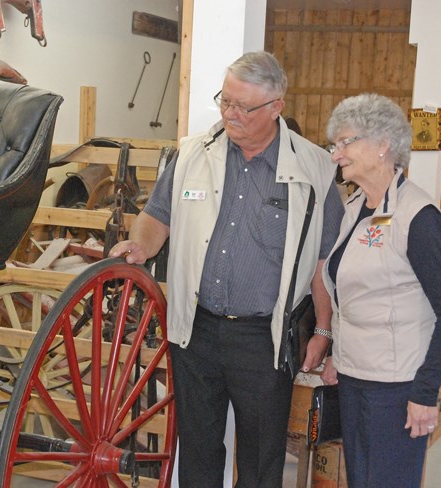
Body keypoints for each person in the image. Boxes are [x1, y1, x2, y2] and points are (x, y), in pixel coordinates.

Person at [109, 50, 344, 487]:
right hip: (195, 332)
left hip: (264, 338)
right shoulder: (194, 153)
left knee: (260, 460)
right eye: (225, 101)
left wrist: (324, 330)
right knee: (197, 451)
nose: (230, 114)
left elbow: (323, 260)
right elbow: (158, 215)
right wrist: (140, 246)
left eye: (243, 106)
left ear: (276, 107)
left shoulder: (315, 169)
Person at [321, 93, 441, 488]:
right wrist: (337, 353)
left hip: (398, 388)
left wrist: (425, 392)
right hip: (354, 378)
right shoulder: (356, 208)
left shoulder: (418, 218)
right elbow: (350, 294)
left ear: (383, 144)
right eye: (336, 145)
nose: (337, 154)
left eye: (346, 142)